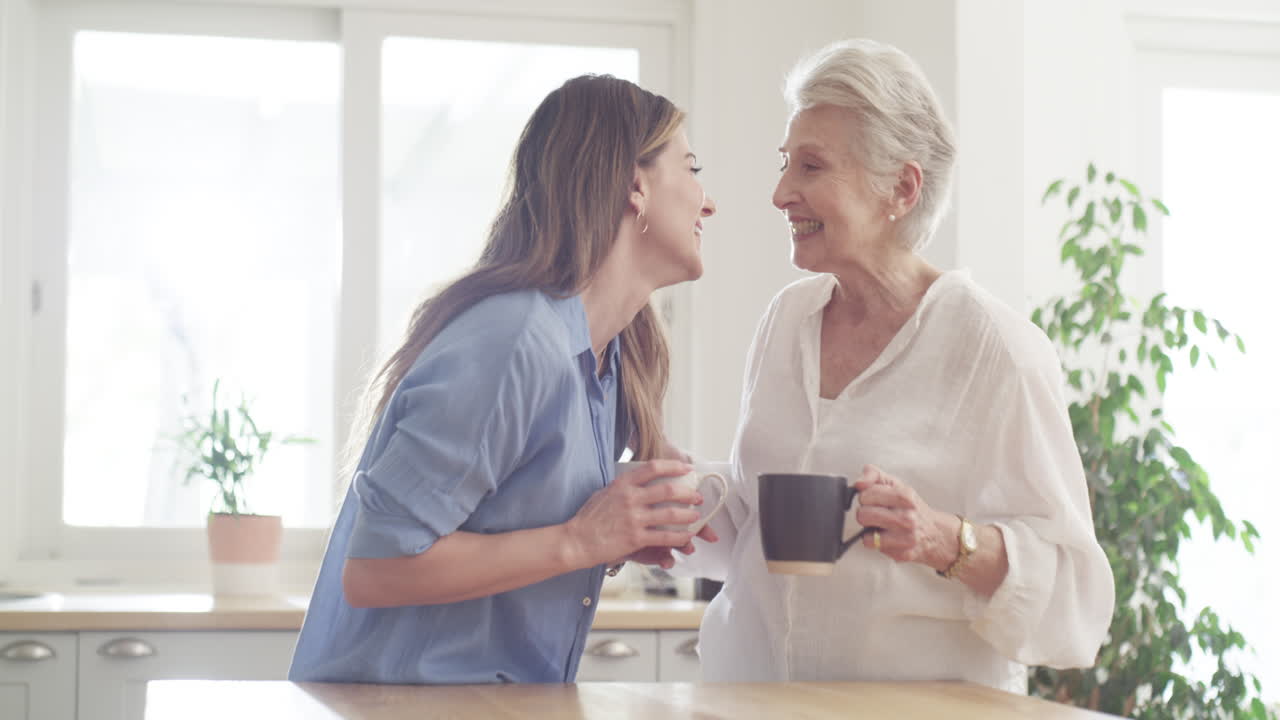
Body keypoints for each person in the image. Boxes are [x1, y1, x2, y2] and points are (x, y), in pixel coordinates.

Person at [682, 39, 1114, 692]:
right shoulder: (787, 320)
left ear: (901, 188)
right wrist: (668, 499)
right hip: (754, 701)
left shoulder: (995, 350)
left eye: (811, 167)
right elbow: (755, 525)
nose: (780, 193)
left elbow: (1074, 605)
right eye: (784, 164)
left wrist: (944, 541)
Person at [289, 74, 718, 685]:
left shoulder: (609, 357)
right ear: (635, 185)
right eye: (693, 167)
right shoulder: (514, 341)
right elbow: (375, 569)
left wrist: (617, 537)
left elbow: (509, 526)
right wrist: (580, 540)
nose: (709, 201)